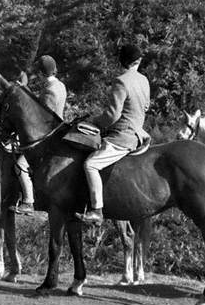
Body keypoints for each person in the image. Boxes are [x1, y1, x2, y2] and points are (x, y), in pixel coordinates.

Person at [77, 43, 150, 224]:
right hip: (140, 133)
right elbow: (146, 106)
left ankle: (96, 211)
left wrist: (94, 121)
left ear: (122, 62)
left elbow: (112, 115)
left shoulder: (121, 81)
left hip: (122, 137)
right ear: (138, 60)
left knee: (90, 165)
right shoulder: (144, 80)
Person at [14, 55, 67, 214]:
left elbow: (40, 117)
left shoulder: (49, 92)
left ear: (41, 73)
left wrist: (23, 89)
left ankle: (28, 201)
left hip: (48, 137)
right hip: (58, 131)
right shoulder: (60, 85)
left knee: (20, 165)